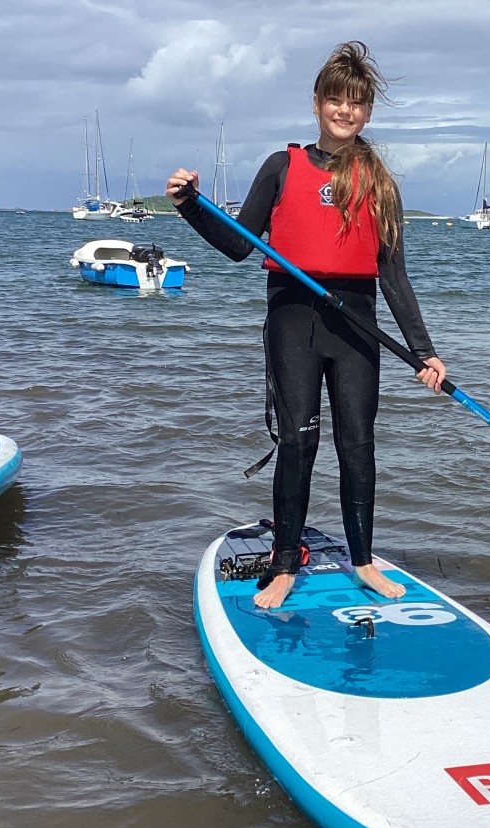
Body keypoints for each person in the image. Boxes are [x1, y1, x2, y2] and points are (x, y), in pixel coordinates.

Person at [165, 40, 448, 610]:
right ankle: (286, 562)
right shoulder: (282, 166)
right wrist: (191, 206)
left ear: (367, 111)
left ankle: (363, 561)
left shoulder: (379, 182)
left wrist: (424, 351)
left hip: (356, 325)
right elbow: (239, 245)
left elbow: (393, 275)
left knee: (358, 445)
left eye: (357, 103)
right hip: (293, 318)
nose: (346, 111)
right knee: (297, 443)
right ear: (317, 103)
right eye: (336, 100)